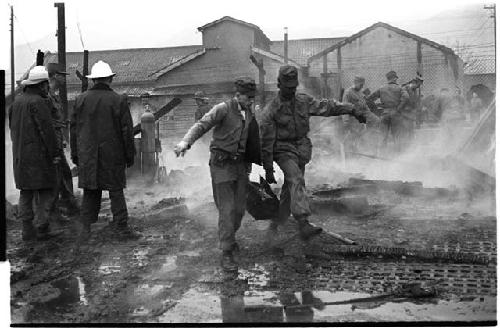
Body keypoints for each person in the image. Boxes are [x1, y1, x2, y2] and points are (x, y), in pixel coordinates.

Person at [259, 65, 366, 241]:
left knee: (290, 187)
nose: (291, 91)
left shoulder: (303, 101)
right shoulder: (271, 110)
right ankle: (303, 223)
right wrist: (268, 168)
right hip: (282, 150)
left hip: (301, 149)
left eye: (294, 87)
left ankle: (276, 222)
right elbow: (266, 142)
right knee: (296, 179)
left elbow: (327, 107)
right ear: (279, 84)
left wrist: (352, 109)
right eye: (287, 87)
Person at [174, 77, 261, 271]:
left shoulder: (249, 112)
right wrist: (185, 143)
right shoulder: (222, 109)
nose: (251, 101)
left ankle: (230, 237)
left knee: (239, 209)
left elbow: (251, 138)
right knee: (227, 209)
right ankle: (226, 251)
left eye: (253, 98)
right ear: (238, 95)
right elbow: (201, 125)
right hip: (221, 165)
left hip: (240, 167)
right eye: (248, 97)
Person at [70, 60, 137, 240]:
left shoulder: (80, 100)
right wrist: (130, 155)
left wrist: (75, 155)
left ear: (93, 80)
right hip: (112, 155)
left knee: (91, 191)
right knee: (115, 190)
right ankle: (121, 226)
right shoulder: (118, 100)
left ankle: (85, 229)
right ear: (110, 79)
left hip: (88, 155)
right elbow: (126, 131)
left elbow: (74, 130)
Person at [9, 66, 60, 241]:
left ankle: (27, 230)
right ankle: (42, 227)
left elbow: (12, 129)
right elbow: (47, 131)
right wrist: (55, 153)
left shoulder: (16, 102)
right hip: (39, 158)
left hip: (20, 157)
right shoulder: (38, 102)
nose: (48, 88)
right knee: (46, 191)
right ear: (41, 85)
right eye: (47, 85)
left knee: (26, 192)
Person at [46, 62, 79, 221]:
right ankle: (55, 211)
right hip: (52, 143)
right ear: (54, 76)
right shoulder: (46, 96)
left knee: (63, 173)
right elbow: (46, 123)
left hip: (57, 141)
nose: (64, 78)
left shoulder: (54, 95)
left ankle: (67, 205)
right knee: (57, 176)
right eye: (62, 75)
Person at [367, 70, 409, 152]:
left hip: (385, 113)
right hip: (396, 113)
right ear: (394, 79)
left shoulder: (381, 88)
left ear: (387, 79)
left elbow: (369, 98)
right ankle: (398, 154)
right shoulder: (400, 88)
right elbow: (406, 98)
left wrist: (377, 106)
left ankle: (383, 154)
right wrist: (399, 108)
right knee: (397, 135)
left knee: (383, 135)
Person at [342, 76, 381, 152]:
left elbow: (364, 105)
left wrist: (370, 114)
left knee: (377, 120)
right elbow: (344, 107)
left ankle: (369, 140)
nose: (362, 86)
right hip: (354, 116)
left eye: (363, 84)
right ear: (355, 83)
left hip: (364, 114)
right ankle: (354, 149)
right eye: (361, 84)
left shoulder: (360, 92)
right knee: (357, 133)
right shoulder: (348, 93)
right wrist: (346, 121)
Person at [400, 75, 424, 149]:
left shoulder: (412, 89)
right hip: (405, 113)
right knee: (406, 129)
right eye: (418, 85)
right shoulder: (407, 88)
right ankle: (406, 146)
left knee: (410, 129)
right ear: (414, 83)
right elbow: (409, 101)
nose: (418, 87)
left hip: (409, 112)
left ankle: (410, 145)